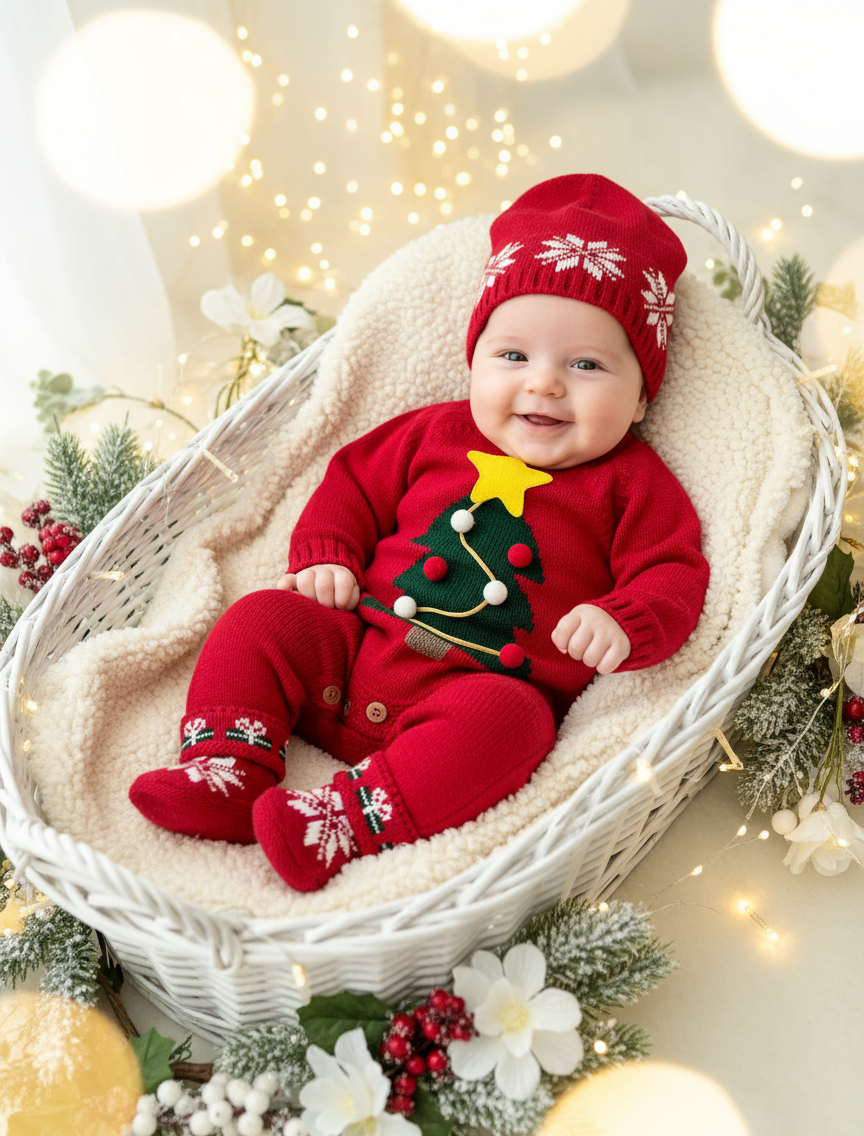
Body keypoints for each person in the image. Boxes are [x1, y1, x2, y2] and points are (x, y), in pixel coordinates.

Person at [130, 173, 710, 891]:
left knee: (517, 723)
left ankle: (340, 822)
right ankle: (228, 766)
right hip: (355, 654)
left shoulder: (632, 483)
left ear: (644, 395)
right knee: (262, 618)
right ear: (474, 357)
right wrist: (327, 552)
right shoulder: (433, 432)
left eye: (586, 365)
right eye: (513, 356)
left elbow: (674, 571)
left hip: (474, 693)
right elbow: (350, 482)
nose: (544, 383)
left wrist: (623, 618)